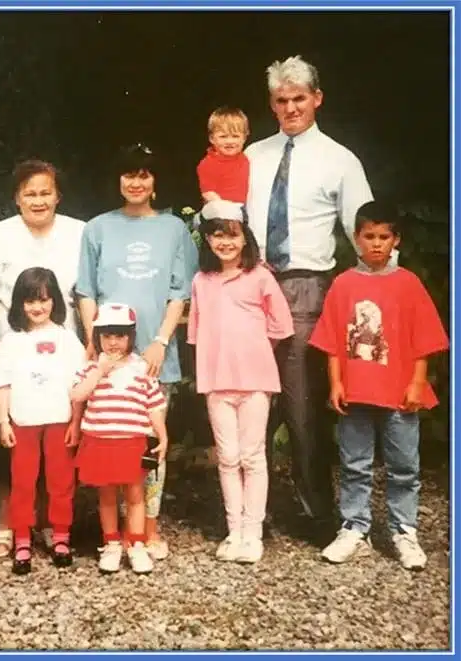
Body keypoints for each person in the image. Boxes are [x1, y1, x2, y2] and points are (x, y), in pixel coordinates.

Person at [244, 55, 375, 543]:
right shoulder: (253, 156)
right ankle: (248, 514)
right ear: (272, 104)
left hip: (306, 286)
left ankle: (316, 512)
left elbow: (364, 230)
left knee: (302, 405)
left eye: (299, 98)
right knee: (250, 399)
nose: (290, 107)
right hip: (250, 285)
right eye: (281, 100)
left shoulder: (340, 160)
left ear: (317, 98)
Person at [309, 201, 448, 570]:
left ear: (395, 240)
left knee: (404, 466)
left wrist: (417, 383)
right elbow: (333, 341)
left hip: (400, 394)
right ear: (356, 239)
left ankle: (405, 531)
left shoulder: (408, 284)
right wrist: (335, 383)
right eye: (368, 236)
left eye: (383, 237)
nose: (375, 244)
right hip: (355, 393)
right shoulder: (343, 284)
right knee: (355, 464)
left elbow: (425, 341)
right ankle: (354, 527)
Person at [76, 143, 198, 560]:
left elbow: (180, 292)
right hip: (109, 357)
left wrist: (161, 341)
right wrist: (93, 344)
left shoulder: (173, 230)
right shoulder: (97, 228)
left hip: (153, 354)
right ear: (118, 180)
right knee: (113, 439)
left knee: (149, 445)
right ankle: (113, 534)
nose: (136, 182)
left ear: (155, 180)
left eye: (144, 174)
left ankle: (147, 529)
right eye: (128, 174)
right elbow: (86, 291)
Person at [0, 160, 85, 558]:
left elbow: (86, 291)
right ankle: (11, 524)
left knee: (56, 439)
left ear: (58, 195)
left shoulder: (78, 231)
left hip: (62, 344)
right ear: (17, 198)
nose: (38, 200)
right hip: (14, 348)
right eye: (29, 193)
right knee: (17, 442)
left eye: (45, 192)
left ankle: (52, 525)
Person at [187, 200, 294, 563]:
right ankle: (234, 531)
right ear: (207, 240)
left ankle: (254, 532)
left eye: (232, 234)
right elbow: (197, 333)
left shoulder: (261, 276)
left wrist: (253, 349)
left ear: (245, 237)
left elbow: (281, 326)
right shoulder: (202, 281)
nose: (225, 243)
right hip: (217, 381)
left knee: (253, 455)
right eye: (217, 235)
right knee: (228, 457)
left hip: (254, 381)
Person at [0, 267, 85, 574]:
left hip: (60, 420)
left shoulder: (68, 341)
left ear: (54, 300)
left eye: (43, 299)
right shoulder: (12, 342)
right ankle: (23, 539)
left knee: (61, 480)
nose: (37, 307)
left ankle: (60, 536)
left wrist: (76, 423)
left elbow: (79, 386)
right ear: (19, 304)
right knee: (23, 481)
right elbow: (2, 384)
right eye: (30, 301)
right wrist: (3, 421)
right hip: (23, 423)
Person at [71, 303, 169, 574]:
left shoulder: (141, 368)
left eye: (120, 336)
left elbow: (154, 405)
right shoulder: (90, 368)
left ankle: (136, 545)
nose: (113, 343)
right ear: (97, 337)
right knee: (106, 496)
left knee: (135, 494)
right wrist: (100, 371)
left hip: (132, 440)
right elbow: (77, 396)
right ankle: (111, 543)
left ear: (131, 337)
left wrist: (161, 433)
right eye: (107, 336)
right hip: (100, 440)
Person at [196, 106, 250, 204]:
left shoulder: (249, 157)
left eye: (235, 136)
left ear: (244, 138)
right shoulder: (207, 164)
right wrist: (226, 210)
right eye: (223, 136)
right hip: (221, 212)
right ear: (212, 138)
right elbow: (209, 194)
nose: (229, 141)